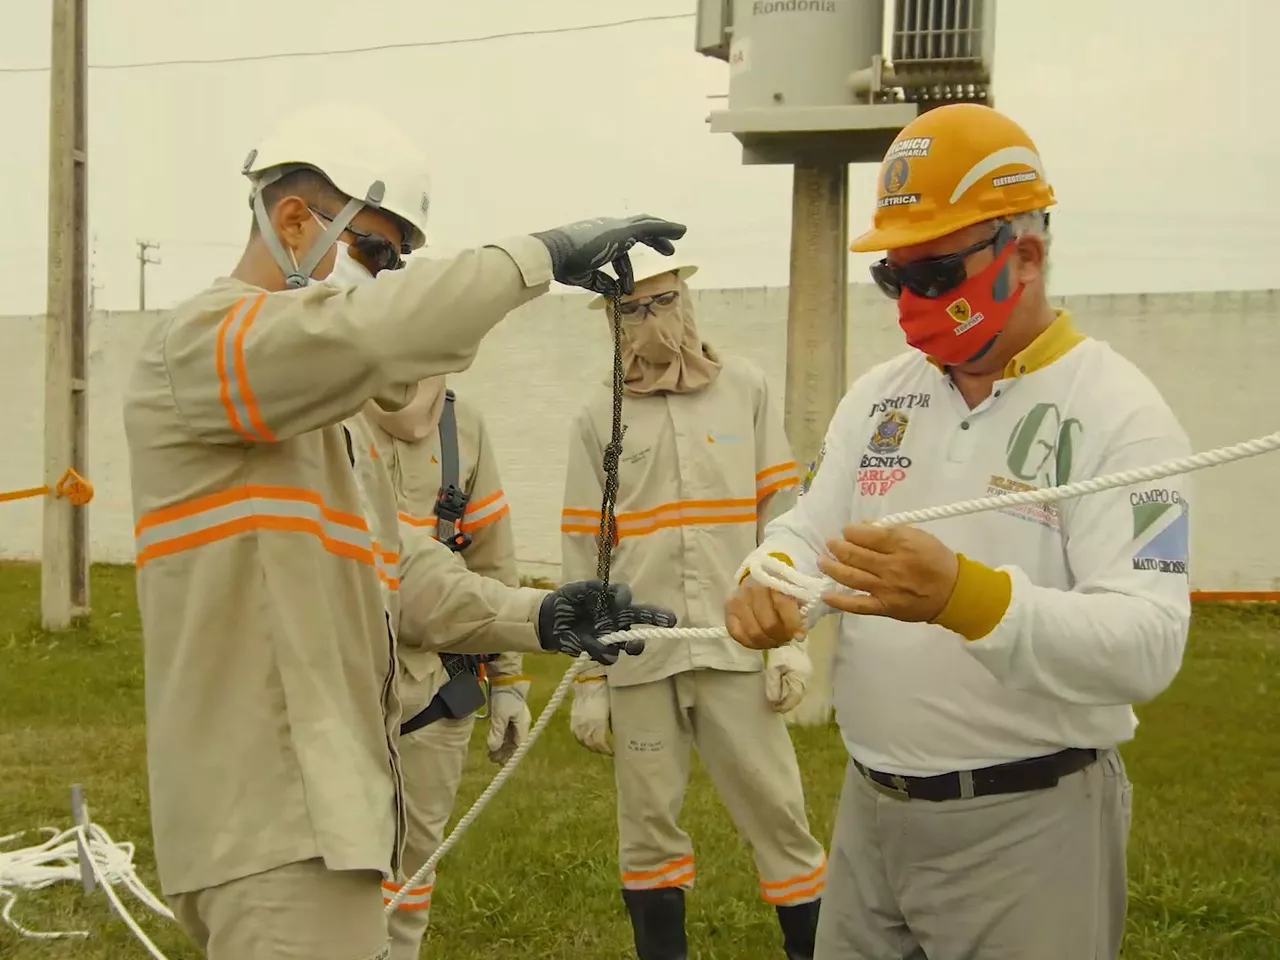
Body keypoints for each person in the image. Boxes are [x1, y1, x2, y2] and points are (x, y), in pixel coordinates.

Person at [123, 101, 683, 960]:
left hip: (324, 814)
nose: (384, 280)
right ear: (293, 220)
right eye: (377, 252)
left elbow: (402, 569)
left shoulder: (328, 419)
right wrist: (541, 255)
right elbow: (379, 330)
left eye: (398, 262)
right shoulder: (197, 346)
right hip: (270, 816)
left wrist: (535, 617)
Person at [724, 102, 1193, 960]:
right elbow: (809, 525)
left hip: (1030, 829)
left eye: (936, 275)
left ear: (1028, 255)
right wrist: (773, 577)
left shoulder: (1121, 415)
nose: (913, 303)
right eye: (894, 278)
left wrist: (964, 599)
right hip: (872, 816)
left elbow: (1148, 643)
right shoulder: (881, 396)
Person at [560, 247, 827, 960]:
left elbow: (784, 516)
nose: (654, 320)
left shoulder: (746, 389)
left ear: (688, 296)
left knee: (779, 813)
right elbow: (583, 548)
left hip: (734, 643)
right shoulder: (599, 416)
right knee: (646, 827)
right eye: (633, 309)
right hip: (638, 655)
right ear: (612, 321)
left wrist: (791, 637)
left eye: (665, 300)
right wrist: (588, 681)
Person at [360, 373, 531, 957]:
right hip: (339, 687)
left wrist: (508, 681)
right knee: (329, 867)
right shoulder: (325, 411)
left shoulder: (463, 426)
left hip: (435, 696)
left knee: (411, 870)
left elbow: (492, 557)